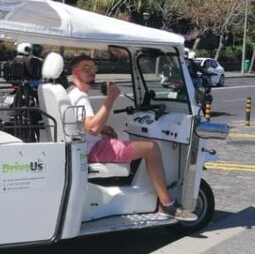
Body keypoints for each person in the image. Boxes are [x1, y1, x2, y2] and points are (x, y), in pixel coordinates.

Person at [68, 55, 196, 222]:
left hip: (85, 145)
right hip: (93, 149)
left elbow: (84, 124)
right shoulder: (80, 96)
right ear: (75, 72)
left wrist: (104, 130)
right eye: (87, 68)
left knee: (112, 134)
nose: (92, 72)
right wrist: (111, 98)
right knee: (151, 148)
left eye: (94, 68)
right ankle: (167, 204)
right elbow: (93, 128)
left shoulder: (70, 92)